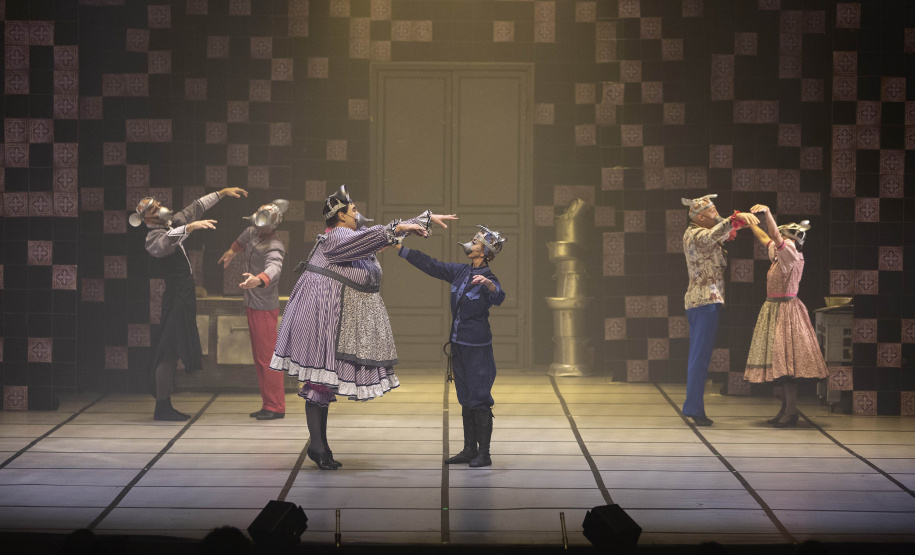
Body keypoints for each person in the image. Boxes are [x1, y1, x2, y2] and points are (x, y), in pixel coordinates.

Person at [270, 185, 457, 469]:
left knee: (322, 381)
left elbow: (375, 241)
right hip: (324, 312)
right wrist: (409, 224)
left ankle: (320, 446)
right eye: (353, 210)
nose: (358, 213)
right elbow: (374, 237)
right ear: (341, 217)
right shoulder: (339, 236)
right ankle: (318, 446)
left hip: (331, 312)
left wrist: (418, 222)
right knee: (319, 380)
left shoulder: (348, 238)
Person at [129, 187, 248, 421]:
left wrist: (222, 193)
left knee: (172, 349)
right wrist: (189, 228)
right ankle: (162, 406)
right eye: (154, 209)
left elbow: (195, 207)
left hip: (184, 294)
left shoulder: (171, 223)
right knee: (169, 349)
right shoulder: (153, 238)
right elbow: (165, 244)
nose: (161, 208)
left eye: (158, 204)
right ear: (148, 218)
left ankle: (164, 405)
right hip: (176, 296)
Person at [396, 225, 506, 468]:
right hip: (458, 345)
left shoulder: (489, 278)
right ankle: (469, 450)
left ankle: (484, 454)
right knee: (465, 397)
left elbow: (499, 296)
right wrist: (400, 249)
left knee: (480, 398)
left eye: (475, 242)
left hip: (477, 347)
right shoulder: (460, 272)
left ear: (485, 252)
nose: (470, 243)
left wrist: (488, 285)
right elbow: (431, 265)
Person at [743, 205, 828, 427]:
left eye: (783, 237)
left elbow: (774, 236)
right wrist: (751, 222)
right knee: (780, 364)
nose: (779, 241)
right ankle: (786, 409)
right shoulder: (782, 254)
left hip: (786, 312)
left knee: (787, 364)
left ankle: (790, 411)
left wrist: (767, 214)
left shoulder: (790, 253)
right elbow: (766, 238)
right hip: (775, 309)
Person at [681, 194, 759, 426]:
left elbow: (722, 228)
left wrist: (741, 221)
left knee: (700, 357)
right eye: (712, 212)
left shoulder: (704, 232)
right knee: (700, 358)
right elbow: (717, 231)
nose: (717, 215)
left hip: (705, 301)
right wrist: (736, 218)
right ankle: (694, 408)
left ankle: (693, 406)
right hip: (704, 301)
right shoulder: (696, 234)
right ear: (701, 217)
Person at [218, 200, 289, 421]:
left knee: (268, 358)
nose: (258, 222)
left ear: (273, 223)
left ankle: (276, 406)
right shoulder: (253, 232)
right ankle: (268, 403)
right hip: (252, 302)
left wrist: (258, 279)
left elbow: (274, 268)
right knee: (260, 358)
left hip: (264, 306)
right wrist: (231, 252)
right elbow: (241, 240)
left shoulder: (275, 245)